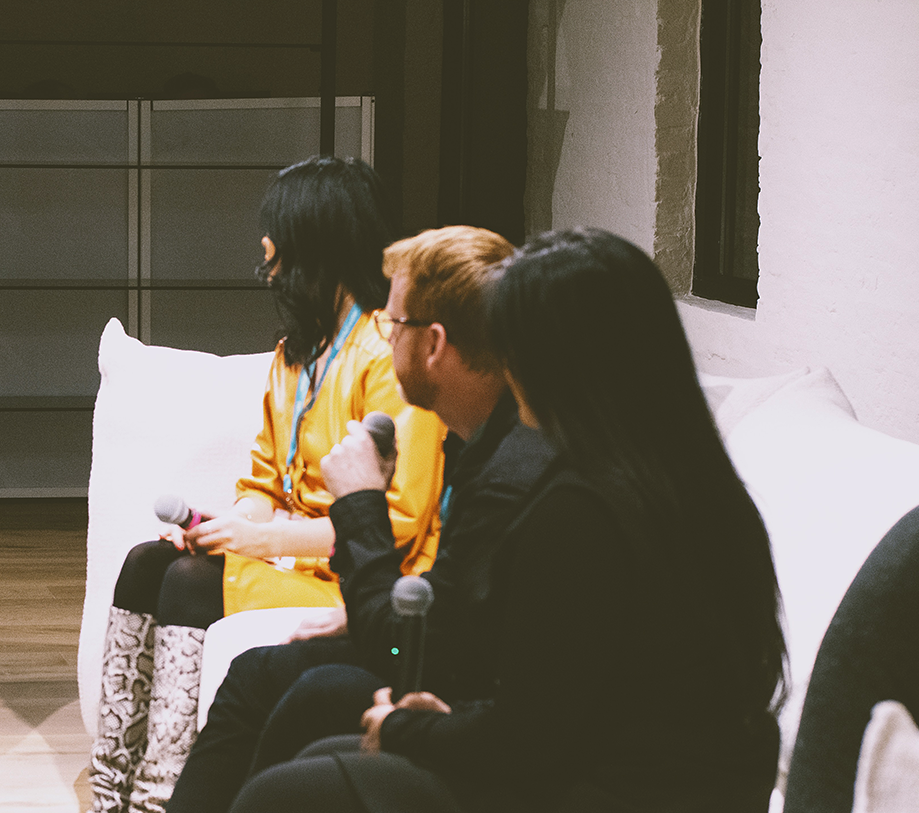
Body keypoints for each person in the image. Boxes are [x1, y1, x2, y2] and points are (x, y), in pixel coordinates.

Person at [226, 228, 788, 813]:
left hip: (605, 792)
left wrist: (404, 729)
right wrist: (447, 723)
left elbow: (528, 740)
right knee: (321, 744)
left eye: (511, 342)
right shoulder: (694, 484)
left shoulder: (576, 507)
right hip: (666, 780)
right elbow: (562, 702)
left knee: (284, 791)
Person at [87, 157, 449, 813]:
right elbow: (260, 478)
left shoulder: (381, 357)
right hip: (291, 556)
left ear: (317, 245)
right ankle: (110, 785)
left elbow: (393, 520)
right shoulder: (294, 354)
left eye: (275, 245)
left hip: (352, 572)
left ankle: (159, 793)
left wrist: (259, 536)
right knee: (149, 561)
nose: (267, 262)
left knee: (187, 582)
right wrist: (224, 526)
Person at [169, 225, 536, 812]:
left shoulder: (511, 468)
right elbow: (455, 599)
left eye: (393, 327)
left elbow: (431, 642)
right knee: (263, 674)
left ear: (434, 344)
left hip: (465, 693)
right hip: (445, 660)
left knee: (307, 691)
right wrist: (356, 615)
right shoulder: (475, 438)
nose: (384, 340)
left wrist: (359, 501)